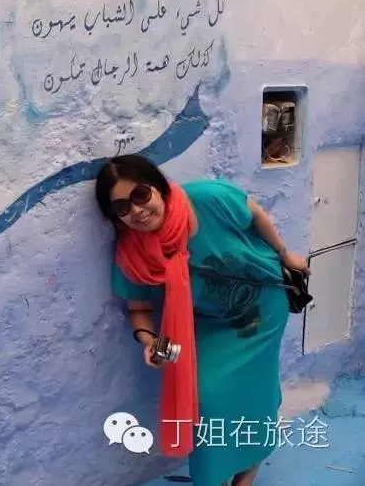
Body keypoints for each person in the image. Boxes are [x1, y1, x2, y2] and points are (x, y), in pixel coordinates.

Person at [94, 155, 309, 486]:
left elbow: (255, 215)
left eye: (140, 194)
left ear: (158, 187)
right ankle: (213, 477)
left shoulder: (208, 198)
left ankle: (245, 477)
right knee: (205, 397)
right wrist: (148, 340)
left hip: (263, 309)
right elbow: (138, 308)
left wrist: (284, 253)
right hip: (209, 323)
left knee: (257, 393)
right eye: (122, 207)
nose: (137, 210)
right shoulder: (133, 254)